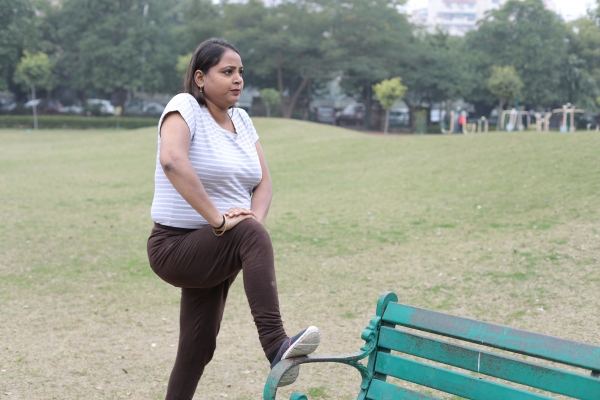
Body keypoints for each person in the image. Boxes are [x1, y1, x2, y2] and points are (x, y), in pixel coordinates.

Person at [146, 38, 320, 399]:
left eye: (240, 72)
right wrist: (221, 221)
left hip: (218, 245)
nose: (237, 79)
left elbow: (264, 181)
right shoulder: (185, 108)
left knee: (198, 347)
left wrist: (251, 219)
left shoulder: (241, 119)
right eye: (227, 72)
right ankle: (276, 346)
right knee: (250, 235)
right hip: (175, 244)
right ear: (199, 77)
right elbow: (172, 161)